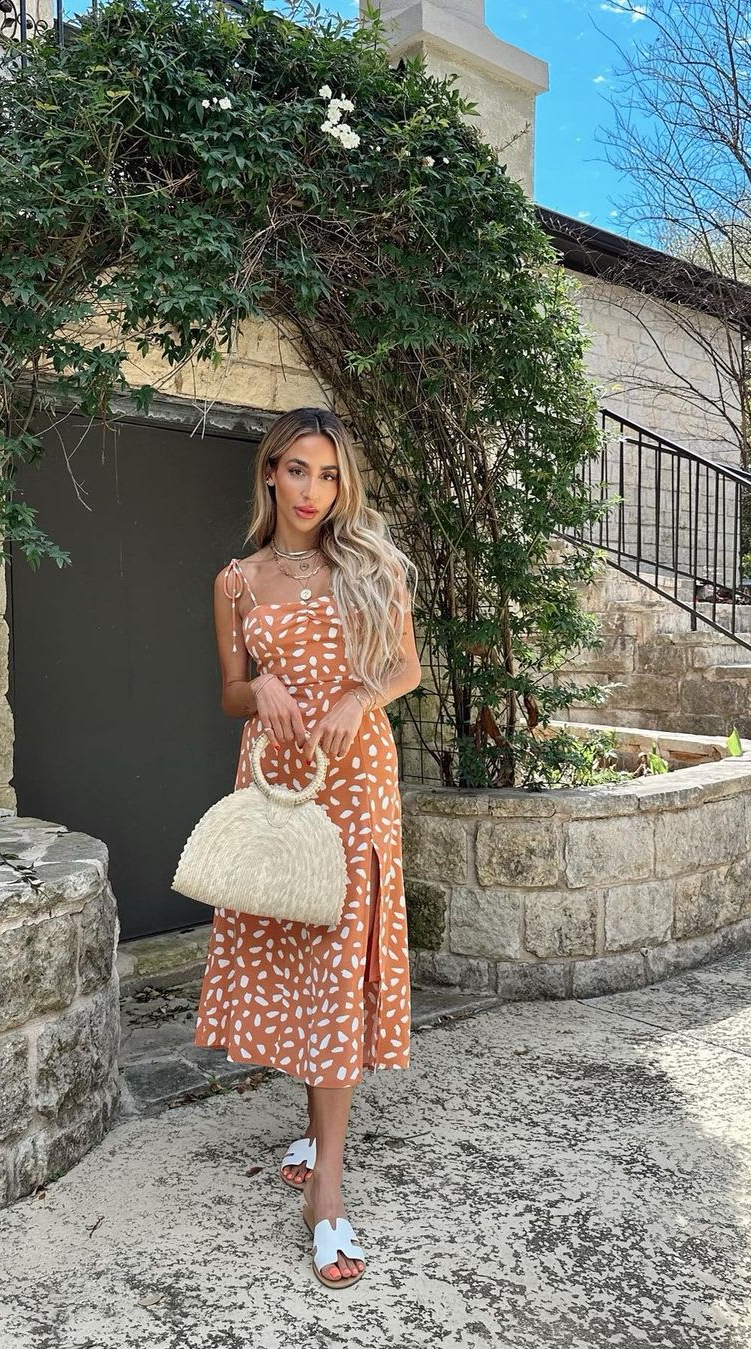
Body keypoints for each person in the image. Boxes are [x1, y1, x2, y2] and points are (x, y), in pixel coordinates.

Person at [192, 406, 422, 1288]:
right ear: (270, 475)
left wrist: (361, 695)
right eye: (297, 471)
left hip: (356, 784)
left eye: (328, 476)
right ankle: (318, 1133)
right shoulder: (236, 582)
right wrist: (266, 689)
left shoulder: (368, 565)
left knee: (336, 965)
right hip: (276, 789)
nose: (312, 493)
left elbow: (404, 666)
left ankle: (325, 1190)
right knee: (299, 961)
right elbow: (228, 696)